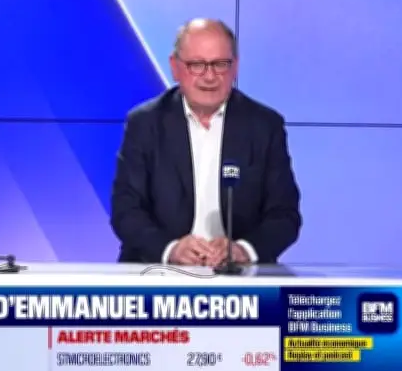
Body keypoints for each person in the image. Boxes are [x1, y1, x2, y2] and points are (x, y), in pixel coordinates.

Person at [111, 18, 301, 267]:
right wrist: (170, 249)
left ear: (235, 67)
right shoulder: (145, 124)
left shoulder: (264, 126)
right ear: (175, 67)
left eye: (220, 64)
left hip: (238, 277)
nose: (210, 76)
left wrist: (243, 250)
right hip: (157, 270)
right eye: (197, 65)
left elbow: (284, 216)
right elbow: (126, 210)